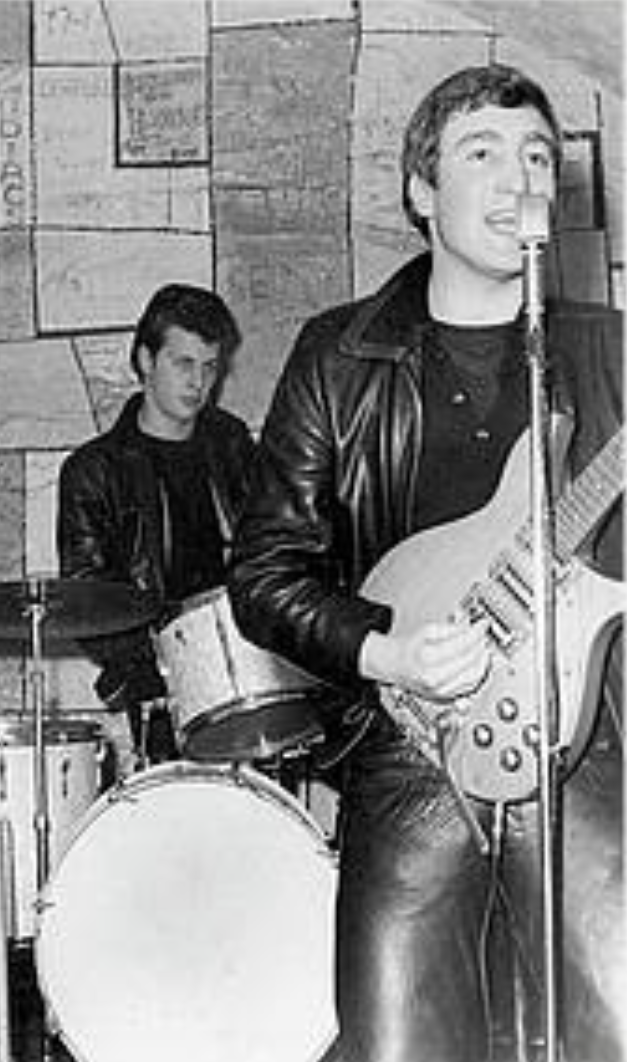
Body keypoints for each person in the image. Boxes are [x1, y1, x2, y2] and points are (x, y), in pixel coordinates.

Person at [229, 63, 622, 1062]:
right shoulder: (341, 357)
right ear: (421, 191)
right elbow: (266, 575)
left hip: (589, 755)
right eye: (480, 153)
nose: (517, 177)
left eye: (538, 156)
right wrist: (389, 654)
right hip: (408, 758)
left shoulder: (609, 353)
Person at [57, 284, 258, 766]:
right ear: (146, 360)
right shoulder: (95, 470)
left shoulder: (231, 444)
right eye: (183, 364)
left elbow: (269, 546)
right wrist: (169, 665)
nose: (199, 383)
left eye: (210, 368)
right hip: (158, 683)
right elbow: (89, 602)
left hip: (248, 663)